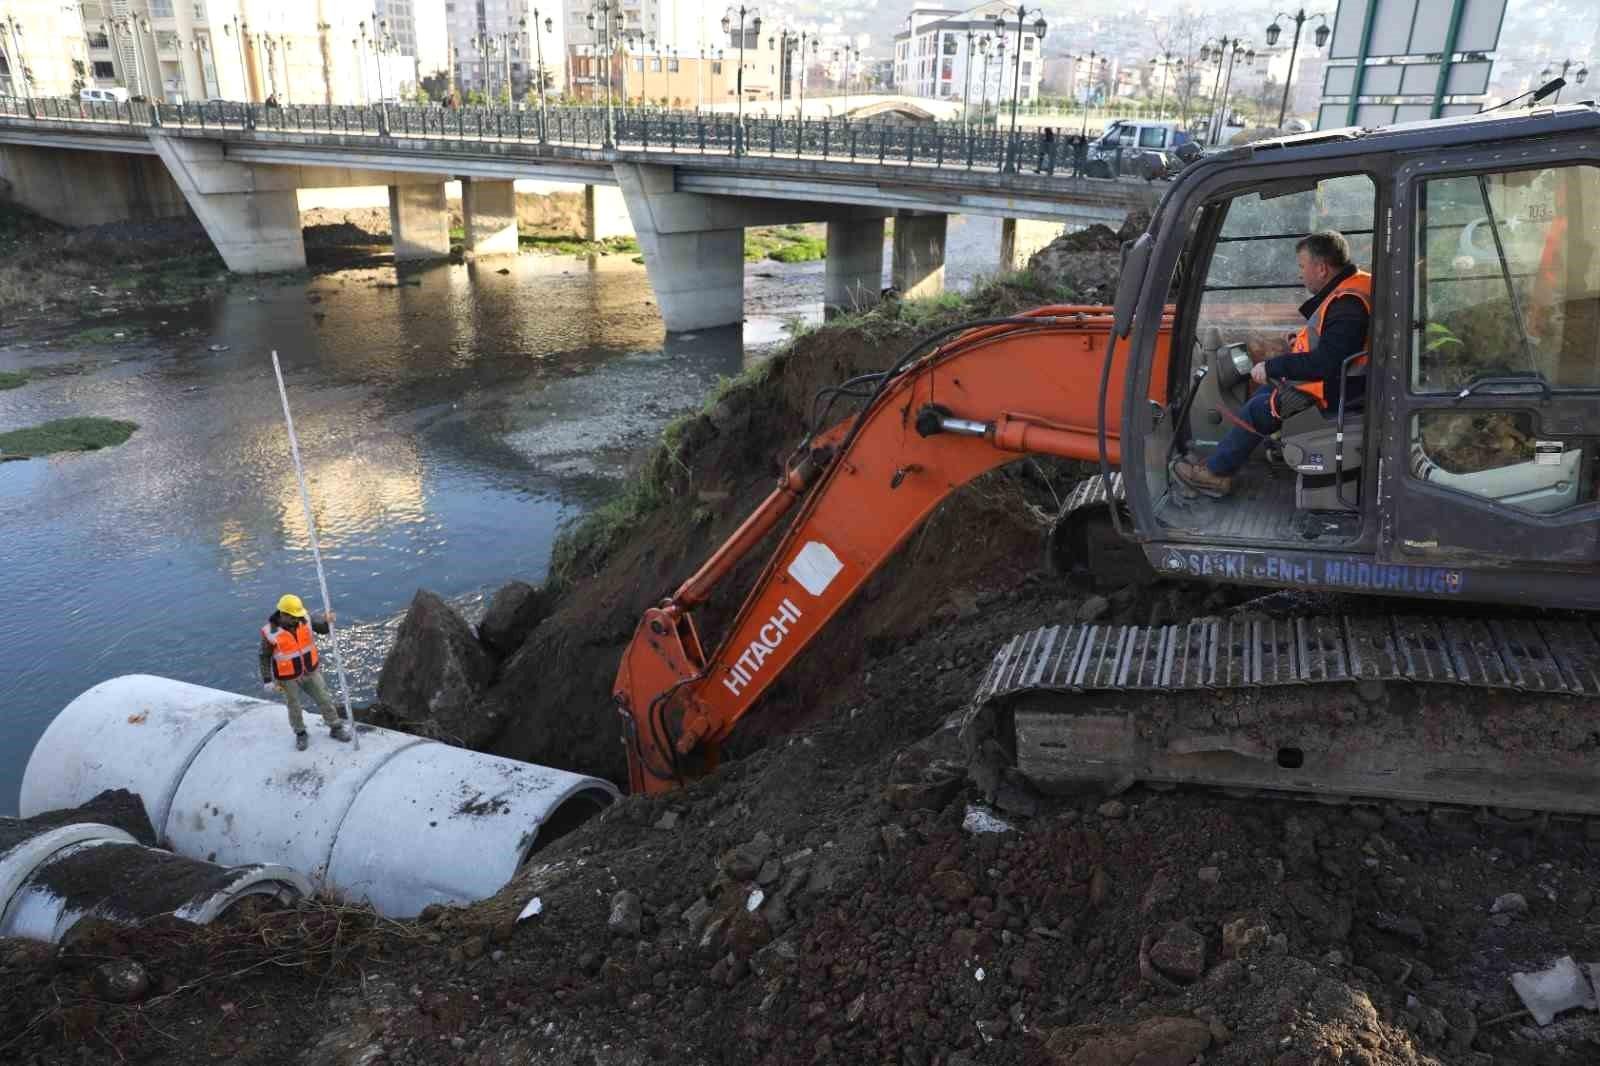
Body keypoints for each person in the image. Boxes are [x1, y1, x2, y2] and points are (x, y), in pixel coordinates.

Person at [1174, 230, 1372, 498]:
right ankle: (1229, 460)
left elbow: (1327, 362)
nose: (1300, 274)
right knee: (1267, 394)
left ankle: (1215, 475)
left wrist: (1272, 367)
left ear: (1322, 268)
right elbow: (1335, 344)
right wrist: (1296, 344)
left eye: (1302, 266)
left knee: (1260, 407)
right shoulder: (1353, 287)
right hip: (1347, 382)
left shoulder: (1347, 304)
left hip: (1342, 392)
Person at [259, 594, 350, 750]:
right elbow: (264, 656)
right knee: (294, 706)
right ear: (283, 615)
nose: (297, 619)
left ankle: (335, 727)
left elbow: (322, 630)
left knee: (324, 698)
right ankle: (300, 733)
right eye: (293, 616)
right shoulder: (270, 633)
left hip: (310, 671)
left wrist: (327, 622)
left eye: (298, 615)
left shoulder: (305, 619)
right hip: (288, 677)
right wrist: (267, 679)